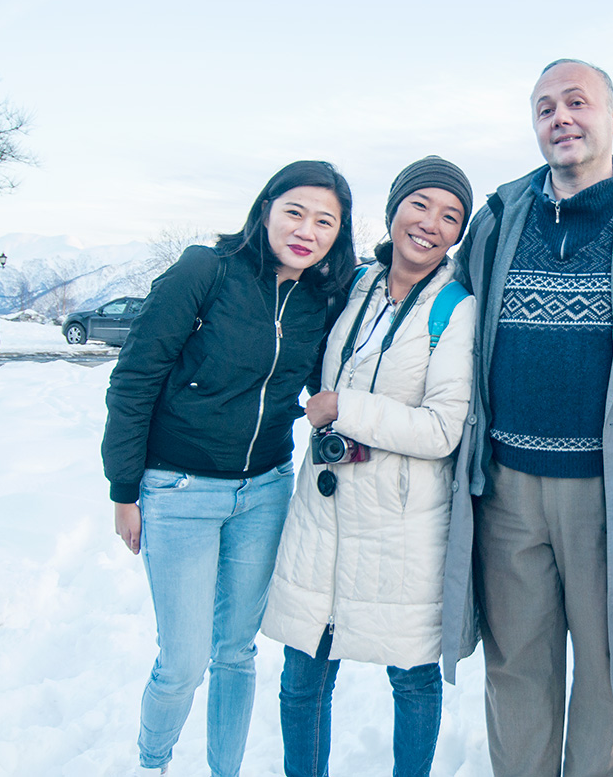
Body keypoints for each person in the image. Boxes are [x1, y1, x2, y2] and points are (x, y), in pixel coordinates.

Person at [442, 58, 613, 776]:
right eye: (544, 107)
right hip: (507, 490)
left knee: (609, 671)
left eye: (577, 102)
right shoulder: (497, 221)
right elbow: (440, 314)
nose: (560, 117)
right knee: (515, 669)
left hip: (606, 490)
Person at [102, 160, 356, 777]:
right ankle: (152, 762)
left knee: (237, 653)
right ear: (265, 209)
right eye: (295, 211)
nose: (307, 229)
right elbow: (134, 378)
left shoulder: (322, 299)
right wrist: (124, 489)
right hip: (180, 488)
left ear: (338, 234)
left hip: (265, 490)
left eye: (326, 220)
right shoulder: (205, 271)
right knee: (183, 662)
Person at [260, 155, 476, 777]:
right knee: (303, 675)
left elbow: (442, 428)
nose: (430, 224)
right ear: (393, 210)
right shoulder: (349, 286)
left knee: (411, 681)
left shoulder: (452, 309)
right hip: (323, 510)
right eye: (419, 205)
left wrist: (344, 409)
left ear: (458, 234)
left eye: (449, 216)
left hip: (400, 522)